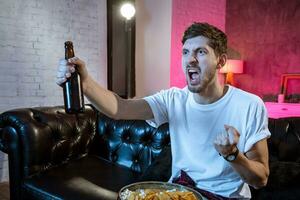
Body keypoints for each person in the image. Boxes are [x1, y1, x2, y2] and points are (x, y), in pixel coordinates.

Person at [56, 22, 270, 199]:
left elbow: (260, 179)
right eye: (186, 52)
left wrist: (232, 155)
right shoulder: (173, 99)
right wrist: (84, 82)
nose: (191, 59)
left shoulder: (249, 105)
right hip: (180, 192)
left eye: (201, 52)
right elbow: (119, 109)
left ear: (220, 61)